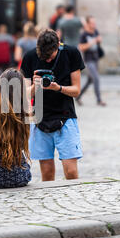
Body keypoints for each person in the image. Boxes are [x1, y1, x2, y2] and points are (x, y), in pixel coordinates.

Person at [21, 29, 85, 182]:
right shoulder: (30, 57)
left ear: (58, 46)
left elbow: (76, 91)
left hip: (66, 117)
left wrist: (58, 88)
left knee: (71, 172)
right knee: (47, 174)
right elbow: (23, 96)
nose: (47, 60)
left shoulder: (71, 53)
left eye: (50, 57)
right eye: (44, 57)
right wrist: (35, 87)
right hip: (40, 119)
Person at [76, 16, 107, 107]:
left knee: (90, 80)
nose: (94, 25)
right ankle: (99, 100)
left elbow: (98, 42)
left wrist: (99, 40)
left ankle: (78, 97)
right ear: (88, 24)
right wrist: (93, 41)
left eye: (95, 23)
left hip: (96, 58)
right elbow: (81, 47)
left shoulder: (96, 32)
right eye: (92, 23)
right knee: (96, 78)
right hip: (88, 60)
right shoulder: (84, 34)